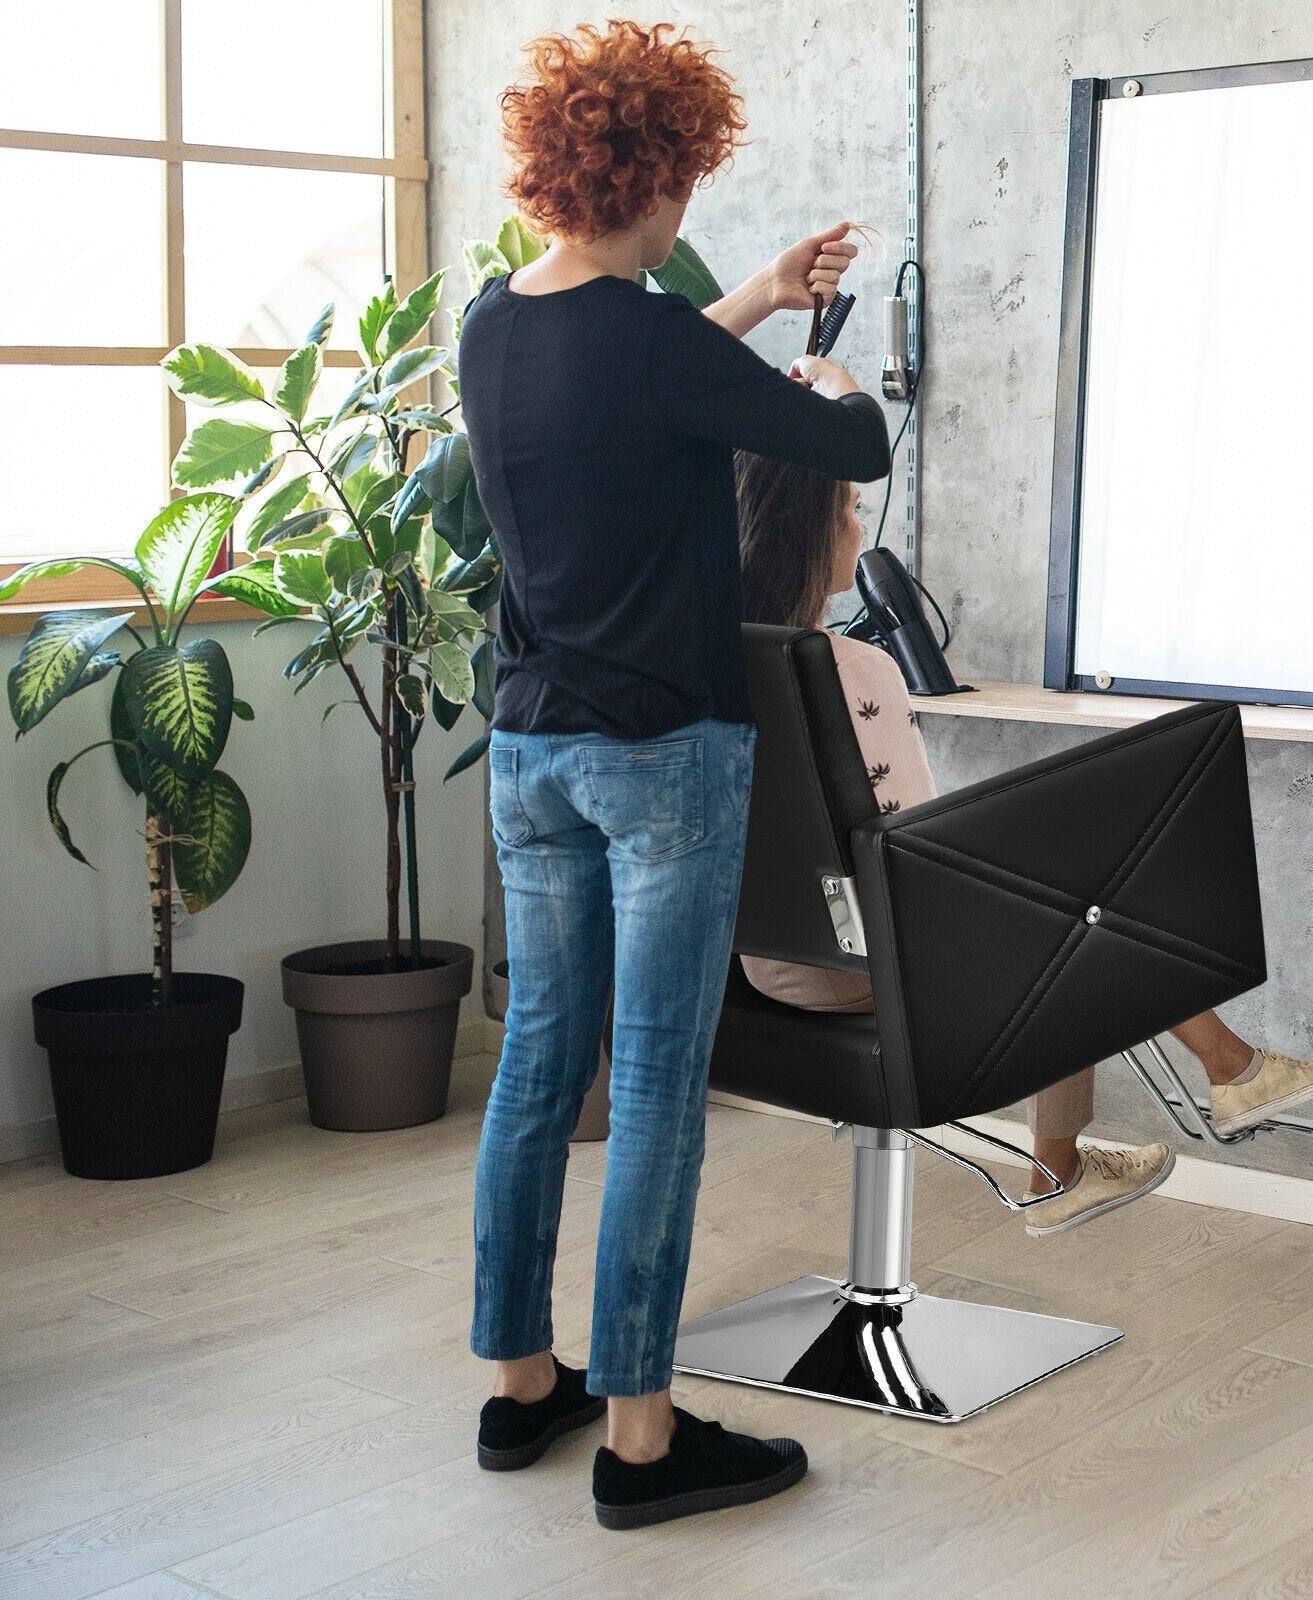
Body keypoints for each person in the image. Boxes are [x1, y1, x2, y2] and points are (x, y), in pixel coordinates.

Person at [457, 21, 891, 1531]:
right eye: (690, 180)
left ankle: (524, 1385)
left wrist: (765, 291)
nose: (691, 208)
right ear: (650, 173)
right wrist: (828, 371)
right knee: (651, 1087)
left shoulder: (497, 324)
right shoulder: (645, 337)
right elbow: (858, 447)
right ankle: (643, 1436)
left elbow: (630, 377)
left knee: (537, 1071)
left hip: (530, 753)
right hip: (663, 759)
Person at [735, 452, 1313, 1234]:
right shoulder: (852, 669)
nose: (861, 528)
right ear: (809, 537)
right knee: (1076, 898)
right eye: (851, 510)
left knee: (1060, 890)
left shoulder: (714, 658)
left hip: (768, 966)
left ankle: (1132, 1129)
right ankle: (1190, 1093)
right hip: (869, 961)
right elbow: (910, 848)